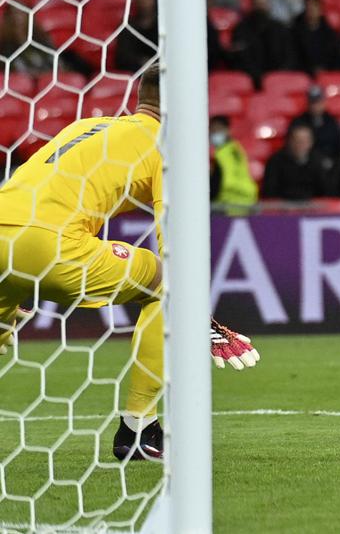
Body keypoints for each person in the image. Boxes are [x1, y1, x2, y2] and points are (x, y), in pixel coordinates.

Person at [0, 69, 258, 463]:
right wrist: (194, 313)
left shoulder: (87, 127)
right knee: (166, 283)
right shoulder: (167, 145)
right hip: (51, 245)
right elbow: (175, 242)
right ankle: (139, 429)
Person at [261, 123, 340, 201]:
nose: (300, 145)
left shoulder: (318, 161)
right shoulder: (275, 161)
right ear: (289, 141)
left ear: (311, 142)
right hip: (282, 207)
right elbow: (269, 192)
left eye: (304, 141)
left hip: (314, 206)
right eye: (296, 140)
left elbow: (327, 191)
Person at [230, 0, 299, 83]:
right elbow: (240, 59)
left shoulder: (280, 28)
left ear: (269, 5)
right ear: (252, 6)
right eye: (257, 4)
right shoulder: (241, 29)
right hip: (251, 80)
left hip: (279, 80)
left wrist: (278, 76)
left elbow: (290, 56)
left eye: (263, 3)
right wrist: (259, 77)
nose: (261, 7)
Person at [209, 115, 259, 212]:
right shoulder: (237, 148)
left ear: (227, 130)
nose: (215, 132)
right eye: (213, 129)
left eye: (219, 129)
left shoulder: (219, 153)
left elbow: (217, 182)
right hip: (246, 201)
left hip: (226, 203)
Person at [292, 85, 340, 164]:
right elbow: (292, 147)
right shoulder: (299, 122)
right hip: (304, 165)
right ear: (308, 104)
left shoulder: (332, 122)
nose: (315, 106)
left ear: (324, 102)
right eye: (312, 103)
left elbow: (339, 147)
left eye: (318, 102)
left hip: (329, 164)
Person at [292, 0, 340, 73]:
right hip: (302, 74)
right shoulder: (295, 33)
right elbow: (294, 57)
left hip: (327, 73)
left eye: (314, 6)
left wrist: (325, 70)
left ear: (321, 11)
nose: (311, 9)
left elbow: (335, 57)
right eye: (308, 6)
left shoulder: (330, 34)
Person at [114, 0, 159, 73]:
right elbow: (123, 58)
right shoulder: (128, 27)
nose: (145, 2)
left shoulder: (162, 27)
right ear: (136, 0)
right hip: (135, 72)